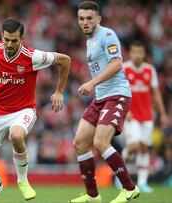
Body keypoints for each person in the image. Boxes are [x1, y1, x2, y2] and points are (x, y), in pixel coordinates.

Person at [0, 18, 71, 203]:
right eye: (6, 39)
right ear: (2, 36)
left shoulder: (32, 56)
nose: (9, 44)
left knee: (16, 135)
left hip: (24, 109)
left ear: (22, 39)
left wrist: (59, 92)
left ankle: (22, 181)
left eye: (14, 40)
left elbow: (65, 60)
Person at [69, 1, 140, 203]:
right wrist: (94, 86)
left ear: (98, 19)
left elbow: (117, 64)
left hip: (117, 95)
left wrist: (91, 83)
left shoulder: (107, 35)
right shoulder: (89, 41)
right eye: (81, 18)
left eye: (89, 18)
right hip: (101, 97)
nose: (85, 22)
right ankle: (92, 195)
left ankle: (129, 188)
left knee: (100, 142)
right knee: (80, 143)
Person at [122, 41, 168, 192]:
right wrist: (125, 109)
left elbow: (155, 93)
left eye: (140, 52)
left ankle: (142, 182)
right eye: (134, 52)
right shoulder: (124, 69)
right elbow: (119, 91)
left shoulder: (150, 70)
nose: (137, 55)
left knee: (144, 148)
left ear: (144, 54)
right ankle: (120, 172)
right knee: (135, 145)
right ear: (130, 53)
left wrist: (162, 113)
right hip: (130, 115)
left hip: (147, 115)